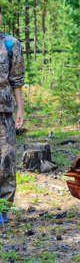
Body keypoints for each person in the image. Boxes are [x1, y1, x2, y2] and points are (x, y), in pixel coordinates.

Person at [0, 13, 25, 225]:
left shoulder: (11, 44)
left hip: (4, 111)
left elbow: (16, 80)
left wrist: (20, 110)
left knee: (6, 160)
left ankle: (3, 209)